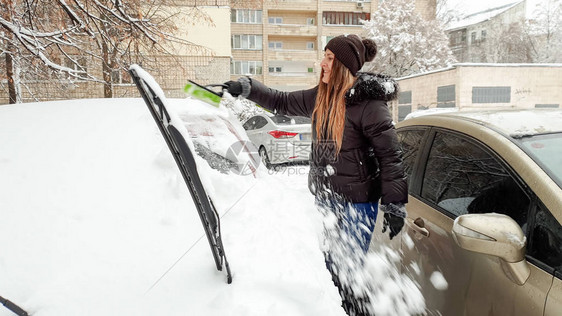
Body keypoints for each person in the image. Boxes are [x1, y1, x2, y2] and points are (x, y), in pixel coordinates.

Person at [224, 34, 408, 315]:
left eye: (330, 58)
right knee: (326, 266)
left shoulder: (371, 106)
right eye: (324, 55)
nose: (322, 62)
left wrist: (395, 202)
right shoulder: (320, 97)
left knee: (348, 269)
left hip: (358, 204)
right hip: (326, 198)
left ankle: (354, 308)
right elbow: (281, 101)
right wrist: (247, 88)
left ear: (344, 66)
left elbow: (390, 156)